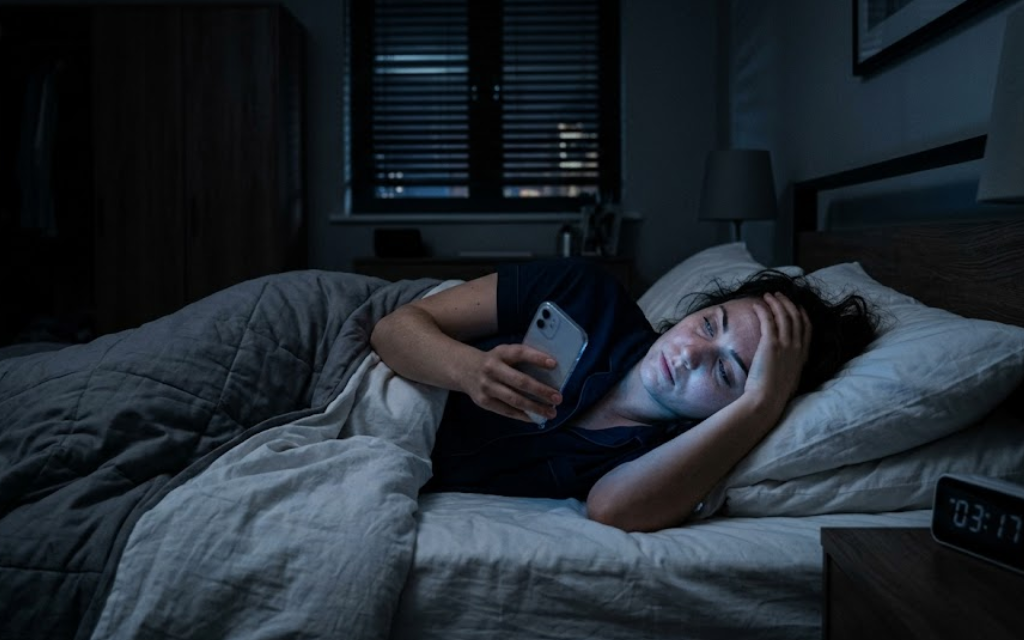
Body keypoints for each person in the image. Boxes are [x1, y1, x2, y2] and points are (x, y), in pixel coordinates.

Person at [370, 258, 877, 532]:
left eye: (727, 371)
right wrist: (468, 369)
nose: (691, 354)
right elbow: (393, 328)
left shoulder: (669, 454)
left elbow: (612, 510)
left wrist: (762, 404)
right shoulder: (586, 292)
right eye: (708, 325)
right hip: (337, 341)